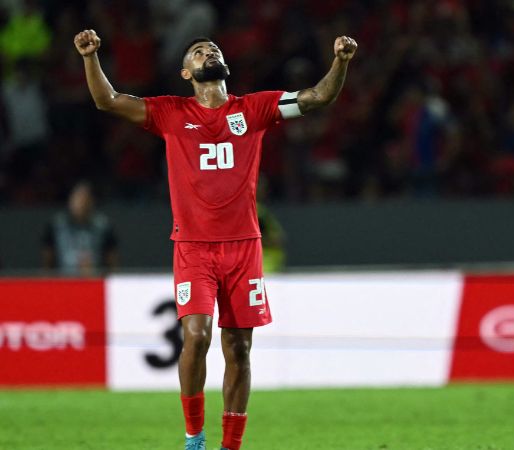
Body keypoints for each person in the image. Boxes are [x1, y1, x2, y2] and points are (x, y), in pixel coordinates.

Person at [74, 28, 357, 450]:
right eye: (199, 52)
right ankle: (194, 437)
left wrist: (341, 61)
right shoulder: (170, 112)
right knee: (197, 335)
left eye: (215, 49)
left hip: (245, 246)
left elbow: (317, 97)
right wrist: (90, 57)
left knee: (239, 348)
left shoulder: (256, 108)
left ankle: (230, 447)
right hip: (193, 247)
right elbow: (107, 100)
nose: (209, 52)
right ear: (186, 72)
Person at [42, 180, 118, 276]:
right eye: (78, 198)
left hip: (94, 279)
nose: (82, 203)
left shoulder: (103, 226)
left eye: (85, 198)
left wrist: (109, 278)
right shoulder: (57, 225)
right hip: (63, 280)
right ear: (70, 200)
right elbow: (48, 257)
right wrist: (47, 278)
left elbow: (111, 258)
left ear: (92, 201)